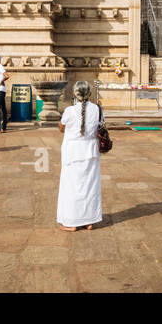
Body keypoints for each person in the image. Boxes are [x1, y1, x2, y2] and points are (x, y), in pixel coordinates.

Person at [57, 80, 103, 231]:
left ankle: (71, 222)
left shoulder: (69, 111)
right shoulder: (97, 109)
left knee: (71, 187)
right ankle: (89, 220)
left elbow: (62, 128)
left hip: (73, 152)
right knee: (90, 186)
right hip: (91, 151)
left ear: (74, 94)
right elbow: (99, 127)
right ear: (89, 93)